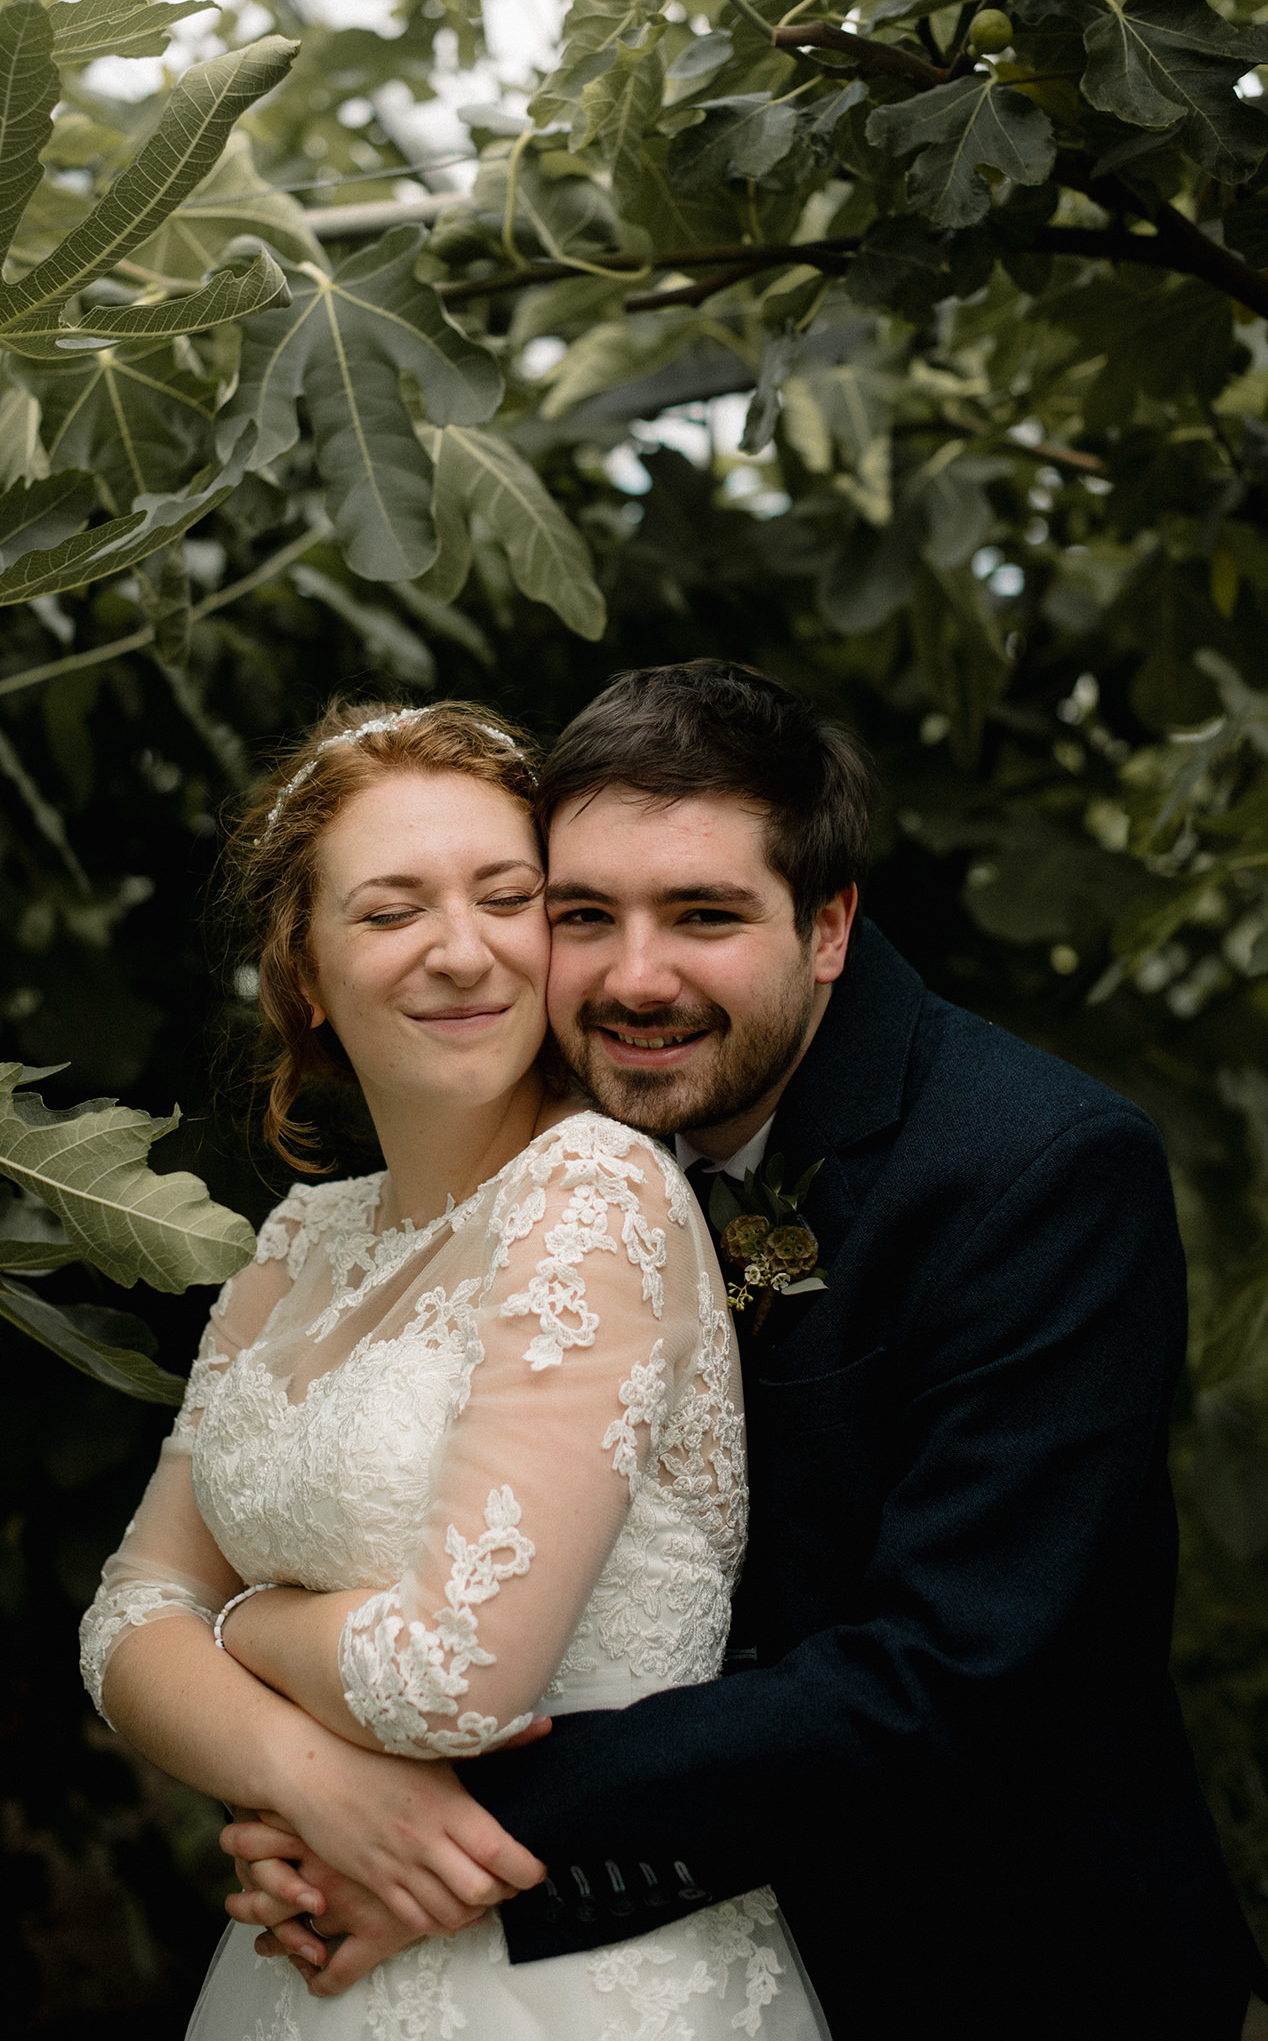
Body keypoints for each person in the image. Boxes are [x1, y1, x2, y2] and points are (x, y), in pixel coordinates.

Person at [229, 661, 1268, 2041]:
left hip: (1001, 1968)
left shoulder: (1038, 1173)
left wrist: (419, 1831)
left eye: (705, 915)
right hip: (657, 1940)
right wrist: (312, 1785)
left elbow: (944, 1679)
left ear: (828, 926)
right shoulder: (551, 1158)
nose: (636, 978)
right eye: (584, 915)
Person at [78, 695, 832, 2039]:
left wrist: (238, 1629)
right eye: (389, 912)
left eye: (509, 897)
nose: (463, 953)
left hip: (576, 1978)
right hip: (323, 1951)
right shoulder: (300, 1244)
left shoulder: (593, 1193)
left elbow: (456, 1677)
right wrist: (310, 1781)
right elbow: (125, 1616)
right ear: (303, 970)